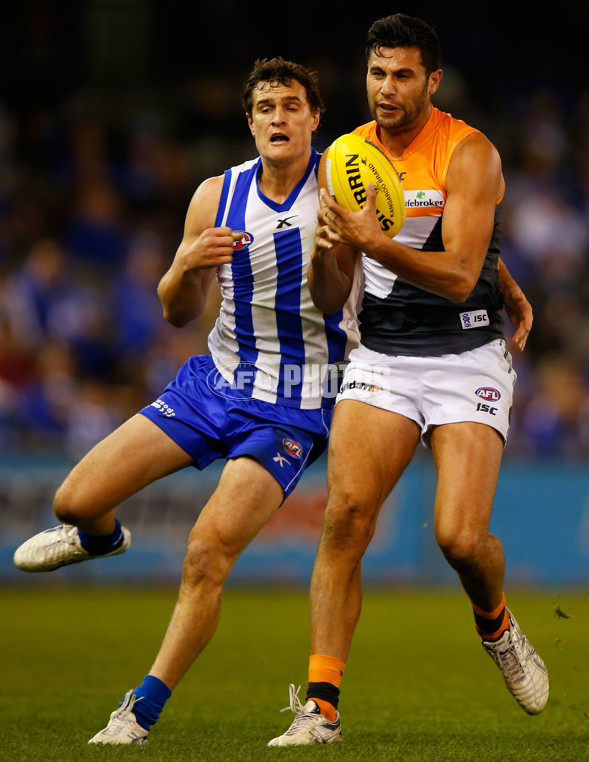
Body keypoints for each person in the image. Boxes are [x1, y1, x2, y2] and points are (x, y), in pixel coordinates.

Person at [12, 57, 360, 745]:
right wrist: (185, 266)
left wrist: (331, 254)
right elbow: (176, 312)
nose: (278, 118)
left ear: (315, 119)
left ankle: (137, 711)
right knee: (74, 501)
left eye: (292, 106)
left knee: (205, 554)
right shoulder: (216, 195)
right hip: (213, 384)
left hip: (292, 403)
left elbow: (329, 302)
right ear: (250, 121)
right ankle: (103, 537)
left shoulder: (340, 190)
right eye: (265, 108)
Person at [268, 14, 547, 747]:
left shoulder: (469, 152)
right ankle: (321, 705)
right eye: (375, 73)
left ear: (432, 81)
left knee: (459, 538)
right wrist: (334, 252)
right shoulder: (345, 157)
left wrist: (374, 241)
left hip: (466, 356)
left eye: (400, 75)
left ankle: (498, 624)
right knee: (344, 518)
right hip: (383, 358)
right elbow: (333, 296)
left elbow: (460, 274)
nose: (385, 89)